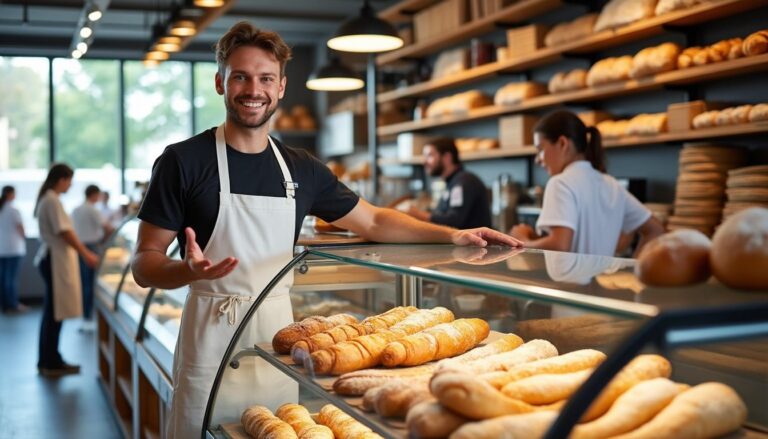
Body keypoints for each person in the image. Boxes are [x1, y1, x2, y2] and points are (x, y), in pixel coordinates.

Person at [131, 22, 521, 439]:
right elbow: (144, 263)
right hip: (209, 336)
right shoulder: (182, 161)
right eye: (240, 76)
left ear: (281, 87)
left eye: (265, 78)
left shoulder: (301, 168)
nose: (253, 89)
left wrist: (452, 235)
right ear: (220, 83)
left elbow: (373, 220)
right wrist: (188, 272)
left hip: (278, 340)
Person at [509, 110, 664, 256]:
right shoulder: (612, 184)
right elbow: (655, 230)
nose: (538, 159)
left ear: (563, 143)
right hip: (601, 283)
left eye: (540, 149)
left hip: (567, 284)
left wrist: (522, 242)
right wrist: (635, 272)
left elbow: (559, 246)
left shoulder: (560, 183)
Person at [34, 163, 100, 377]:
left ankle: (51, 358)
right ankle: (50, 361)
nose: (70, 185)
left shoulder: (49, 199)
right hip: (55, 259)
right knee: (54, 313)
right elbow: (65, 232)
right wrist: (86, 253)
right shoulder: (51, 200)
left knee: (53, 312)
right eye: (69, 180)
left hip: (53, 258)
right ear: (61, 179)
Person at [407, 138, 492, 229]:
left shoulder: (462, 182)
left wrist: (420, 215)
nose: (424, 162)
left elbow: (454, 220)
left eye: (430, 156)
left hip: (474, 242)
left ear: (447, 157)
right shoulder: (454, 182)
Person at [72, 184, 114, 331]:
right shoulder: (93, 210)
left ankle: (86, 316)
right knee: (92, 283)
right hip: (92, 247)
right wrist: (104, 242)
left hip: (79, 248)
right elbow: (108, 227)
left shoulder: (76, 210)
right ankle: (91, 316)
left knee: (84, 282)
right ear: (94, 195)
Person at [0, 185, 27, 313]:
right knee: (10, 279)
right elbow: (21, 229)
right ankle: (12, 304)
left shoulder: (2, 209)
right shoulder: (13, 210)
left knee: (4, 277)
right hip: (13, 248)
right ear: (11, 194)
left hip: (2, 248)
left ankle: (6, 304)